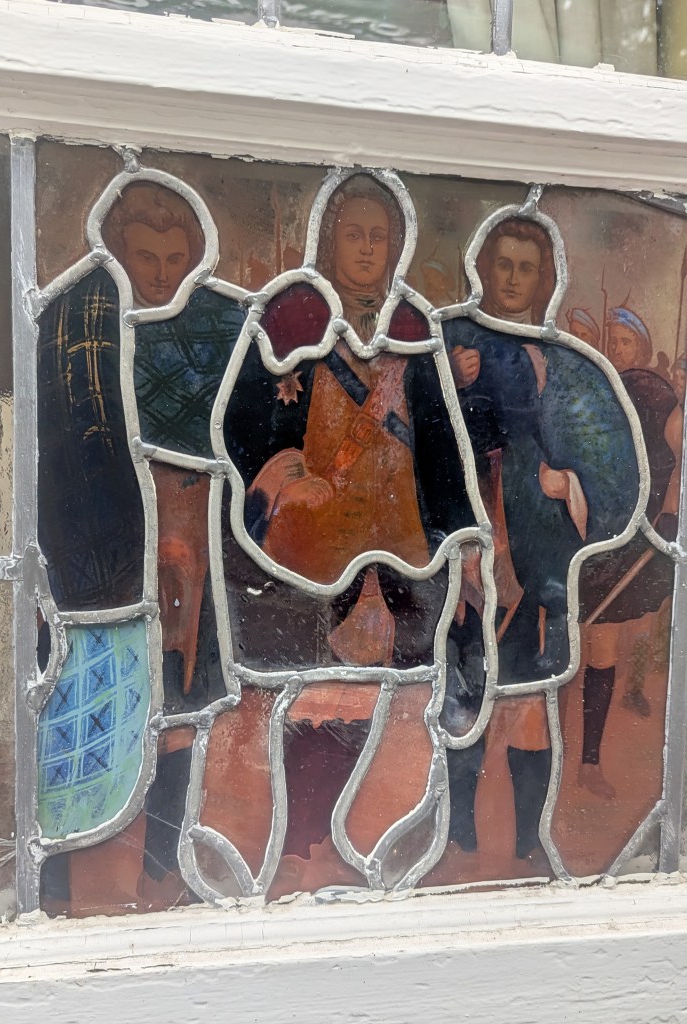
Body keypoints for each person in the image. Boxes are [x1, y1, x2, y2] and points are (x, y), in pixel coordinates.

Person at [214, 172, 485, 887]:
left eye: (379, 237)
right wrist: (284, 470)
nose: (366, 249)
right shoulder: (292, 316)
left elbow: (443, 445)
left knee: (396, 688)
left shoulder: (415, 328)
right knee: (313, 687)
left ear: (396, 247)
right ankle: (304, 838)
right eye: (354, 234)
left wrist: (463, 538)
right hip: (308, 540)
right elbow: (239, 424)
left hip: (400, 538)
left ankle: (377, 837)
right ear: (328, 240)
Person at [38, 177, 246, 912]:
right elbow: (75, 442)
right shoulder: (83, 325)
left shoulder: (215, 327)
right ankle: (71, 882)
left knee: (183, 707)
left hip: (196, 538)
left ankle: (166, 868)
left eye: (174, 258)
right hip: (101, 554)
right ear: (118, 255)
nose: (160, 273)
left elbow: (236, 432)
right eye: (146, 257)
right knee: (96, 717)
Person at [444, 218, 640, 857]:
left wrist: (570, 482)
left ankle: (528, 846)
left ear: (543, 280)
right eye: (503, 265)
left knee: (530, 702)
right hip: (470, 548)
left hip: (542, 557)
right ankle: (459, 836)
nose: (512, 279)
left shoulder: (563, 361)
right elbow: (421, 437)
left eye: (526, 268)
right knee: (465, 696)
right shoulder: (454, 344)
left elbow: (608, 456)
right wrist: (455, 383)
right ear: (484, 269)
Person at [578, 307, 679, 798]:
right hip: (590, 528)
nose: (618, 349)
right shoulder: (599, 388)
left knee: (603, 645)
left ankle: (589, 763)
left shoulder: (655, 394)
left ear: (641, 346)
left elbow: (676, 459)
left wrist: (669, 511)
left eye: (626, 342)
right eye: (612, 341)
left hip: (631, 534)